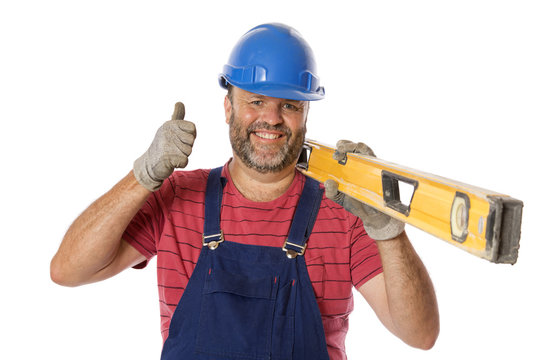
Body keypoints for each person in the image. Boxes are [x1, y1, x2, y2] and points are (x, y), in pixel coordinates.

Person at [50, 23, 439, 359]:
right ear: (228, 108)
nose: (271, 118)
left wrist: (390, 231)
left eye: (288, 104)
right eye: (255, 101)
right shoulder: (177, 197)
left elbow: (419, 335)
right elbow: (67, 270)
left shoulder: (343, 211)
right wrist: (143, 175)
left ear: (306, 114)